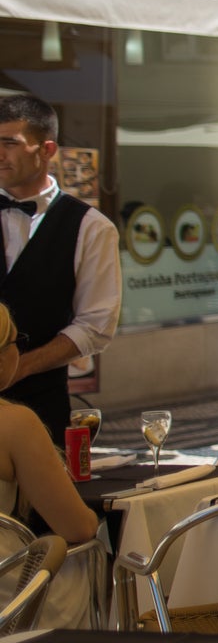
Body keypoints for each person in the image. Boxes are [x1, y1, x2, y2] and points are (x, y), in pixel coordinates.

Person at [0, 94, 120, 442]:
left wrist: (18, 369)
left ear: (47, 150)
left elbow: (95, 326)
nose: (0, 153)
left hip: (40, 409)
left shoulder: (90, 227)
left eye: (10, 143)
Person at [0, 302, 97, 625]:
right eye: (17, 341)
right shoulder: (14, 424)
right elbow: (78, 527)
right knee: (90, 560)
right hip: (10, 601)